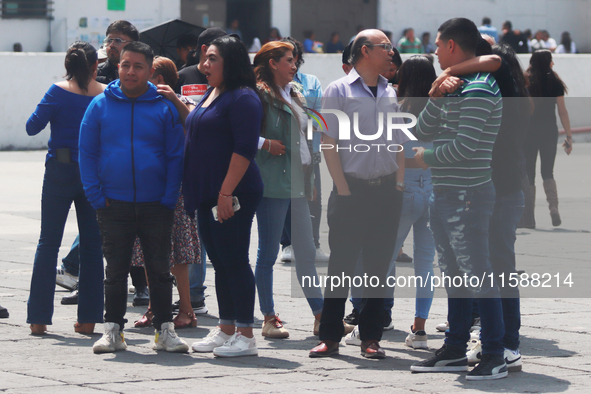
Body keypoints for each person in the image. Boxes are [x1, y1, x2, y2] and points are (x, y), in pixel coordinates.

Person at [409, 18, 506, 380]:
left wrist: (423, 158)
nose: (433, 50)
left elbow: (465, 148)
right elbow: (420, 129)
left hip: (467, 196)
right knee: (454, 275)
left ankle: (494, 353)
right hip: (445, 193)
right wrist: (436, 97)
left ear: (452, 45)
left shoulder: (480, 87)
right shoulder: (455, 85)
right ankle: (454, 347)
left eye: (437, 44)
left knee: (479, 276)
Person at [79, 41, 188, 354]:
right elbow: (86, 152)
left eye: (138, 66)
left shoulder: (163, 106)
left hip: (157, 204)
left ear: (150, 71)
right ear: (118, 66)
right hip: (113, 203)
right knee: (115, 270)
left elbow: (174, 154)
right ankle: (113, 330)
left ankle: (164, 331)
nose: (130, 71)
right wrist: (95, 194)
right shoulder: (99, 105)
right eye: (125, 65)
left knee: (159, 269)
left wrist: (169, 196)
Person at [430, 39, 532, 372]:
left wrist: (447, 70)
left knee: (497, 268)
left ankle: (507, 344)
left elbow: (490, 59)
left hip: (498, 193)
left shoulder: (491, 86)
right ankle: (493, 339)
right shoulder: (503, 92)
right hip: (498, 190)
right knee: (482, 269)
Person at [309, 29, 407, 359]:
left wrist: (399, 183)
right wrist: (343, 187)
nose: (391, 53)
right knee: (341, 266)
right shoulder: (337, 91)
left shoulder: (390, 92)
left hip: (386, 192)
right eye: (386, 48)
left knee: (379, 268)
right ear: (365, 51)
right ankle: (330, 336)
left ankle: (371, 338)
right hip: (350, 191)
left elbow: (398, 143)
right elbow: (328, 141)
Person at [184, 36, 263, 357]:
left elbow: (244, 150)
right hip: (209, 193)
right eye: (205, 59)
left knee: (234, 260)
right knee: (219, 261)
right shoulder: (212, 92)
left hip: (233, 192)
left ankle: (245, 335)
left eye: (212, 59)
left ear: (230, 62)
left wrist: (226, 192)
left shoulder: (244, 98)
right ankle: (226, 327)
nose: (204, 65)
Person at [26, 42, 105, 336]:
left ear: (68, 65)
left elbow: (32, 127)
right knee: (93, 245)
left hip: (60, 170)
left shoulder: (56, 91)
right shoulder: (105, 93)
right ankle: (88, 320)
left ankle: (38, 319)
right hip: (93, 173)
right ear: (95, 66)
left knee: (48, 243)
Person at [250, 41, 324, 338]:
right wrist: (265, 143)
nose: (295, 66)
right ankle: (269, 317)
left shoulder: (294, 92)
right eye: (289, 61)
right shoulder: (257, 94)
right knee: (267, 253)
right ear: (272, 63)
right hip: (271, 180)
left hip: (297, 180)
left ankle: (321, 317)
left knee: (306, 252)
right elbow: (239, 131)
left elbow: (306, 138)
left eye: (295, 61)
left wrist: (310, 179)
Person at [132, 56, 201, 330]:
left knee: (178, 254)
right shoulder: (140, 103)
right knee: (148, 250)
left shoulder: (184, 103)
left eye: (144, 73)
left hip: (176, 188)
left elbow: (194, 124)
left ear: (158, 79)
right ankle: (154, 307)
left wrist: (174, 99)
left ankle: (186, 309)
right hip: (146, 186)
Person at [390, 55, 437, 349]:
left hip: (403, 188)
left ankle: (374, 319)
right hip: (433, 189)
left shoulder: (398, 109)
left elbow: (392, 151)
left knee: (384, 259)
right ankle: (419, 328)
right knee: (425, 263)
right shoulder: (441, 110)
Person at [278, 37, 330, 265]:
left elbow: (319, 117)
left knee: (313, 199)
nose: (290, 62)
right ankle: (287, 244)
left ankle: (314, 244)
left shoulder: (311, 82)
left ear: (298, 58)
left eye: (292, 56)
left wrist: (301, 117)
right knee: (286, 198)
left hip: (310, 150)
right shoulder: (272, 83)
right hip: (283, 152)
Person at [523, 49, 572, 227]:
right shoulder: (555, 81)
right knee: (547, 171)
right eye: (551, 60)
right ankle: (553, 208)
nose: (553, 63)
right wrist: (569, 136)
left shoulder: (526, 80)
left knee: (529, 172)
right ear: (547, 62)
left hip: (529, 131)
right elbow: (562, 111)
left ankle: (529, 215)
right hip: (549, 131)